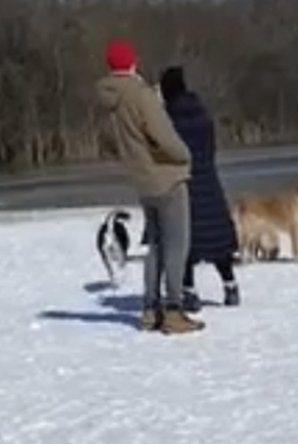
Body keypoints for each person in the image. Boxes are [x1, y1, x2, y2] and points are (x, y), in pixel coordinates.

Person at [94, 38, 203, 334]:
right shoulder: (140, 95)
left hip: (141, 180)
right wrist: (184, 155)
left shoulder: (108, 101)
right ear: (132, 62)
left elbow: (110, 143)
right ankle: (173, 310)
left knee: (155, 245)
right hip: (166, 177)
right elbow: (164, 135)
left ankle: (149, 309)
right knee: (176, 246)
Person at [158, 66, 240, 311]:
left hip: (184, 184)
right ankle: (230, 285)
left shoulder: (168, 119)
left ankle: (189, 292)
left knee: (185, 242)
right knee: (218, 239)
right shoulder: (202, 114)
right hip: (210, 180)